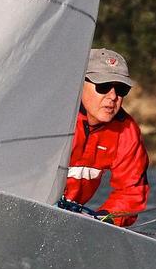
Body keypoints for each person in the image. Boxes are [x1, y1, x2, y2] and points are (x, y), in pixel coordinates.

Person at [61, 48, 149, 227]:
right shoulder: (56, 116)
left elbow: (131, 192)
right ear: (80, 83)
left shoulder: (126, 131)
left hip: (68, 223)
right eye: (103, 86)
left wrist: (104, 220)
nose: (113, 96)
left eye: (121, 89)